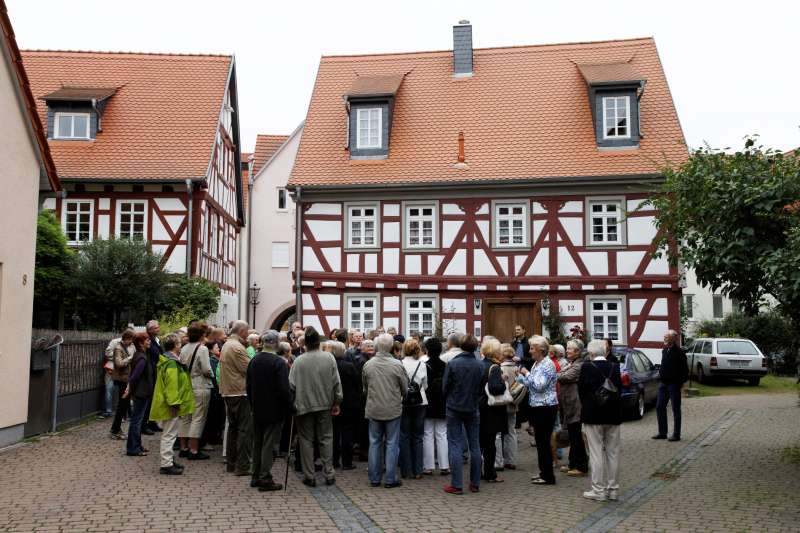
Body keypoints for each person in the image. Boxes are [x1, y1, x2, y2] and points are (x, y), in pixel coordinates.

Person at [289, 326, 343, 487]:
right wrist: (337, 401)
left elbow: (291, 385)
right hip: (324, 404)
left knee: (306, 440)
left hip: (304, 405)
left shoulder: (299, 361)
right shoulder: (329, 358)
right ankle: (329, 473)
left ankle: (309, 475)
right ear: (318, 342)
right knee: (326, 438)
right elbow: (336, 382)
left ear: (305, 343)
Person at [246, 330, 292, 491]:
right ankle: (265, 477)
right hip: (274, 409)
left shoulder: (254, 360)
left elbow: (249, 386)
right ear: (275, 343)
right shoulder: (278, 362)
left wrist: (252, 405)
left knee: (257, 443)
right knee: (269, 445)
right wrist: (290, 405)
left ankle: (255, 475)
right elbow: (284, 389)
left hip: (257, 408)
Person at [362, 333, 408, 488]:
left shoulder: (368, 364)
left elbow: (365, 388)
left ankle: (374, 478)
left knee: (374, 442)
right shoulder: (397, 365)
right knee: (391, 443)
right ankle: (390, 478)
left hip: (374, 408)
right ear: (390, 347)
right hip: (392, 408)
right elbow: (404, 388)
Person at [579, 339, 623, 501]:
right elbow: (619, 390)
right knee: (613, 453)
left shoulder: (587, 367)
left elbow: (581, 392)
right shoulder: (615, 367)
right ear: (605, 352)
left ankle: (598, 490)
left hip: (593, 415)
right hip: (613, 415)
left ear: (591, 353)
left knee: (596, 453)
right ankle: (613, 490)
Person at [442, 335, 485, 495]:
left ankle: (457, 484)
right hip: (473, 407)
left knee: (455, 444)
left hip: (454, 407)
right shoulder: (480, 365)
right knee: (475, 445)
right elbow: (482, 388)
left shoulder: (453, 364)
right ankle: (474, 483)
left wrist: (450, 398)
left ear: (461, 346)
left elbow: (445, 387)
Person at [516, 335, 558, 485]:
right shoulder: (537, 363)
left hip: (546, 407)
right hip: (538, 406)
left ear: (541, 350)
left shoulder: (547, 365)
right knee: (540, 443)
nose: (530, 351)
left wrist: (525, 373)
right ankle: (544, 473)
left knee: (543, 442)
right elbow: (531, 383)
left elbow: (539, 386)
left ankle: (548, 476)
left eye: (532, 348)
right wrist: (520, 378)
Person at [149, 333, 194, 475]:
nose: (181, 346)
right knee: (169, 434)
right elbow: (172, 386)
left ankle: (168, 460)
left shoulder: (168, 361)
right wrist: (175, 403)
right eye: (180, 344)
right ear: (175, 346)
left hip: (167, 403)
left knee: (169, 433)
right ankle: (166, 463)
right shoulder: (172, 363)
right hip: (170, 405)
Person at [219, 320, 253, 475]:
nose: (248, 334)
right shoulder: (237, 347)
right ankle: (242, 466)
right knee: (244, 430)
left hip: (229, 391)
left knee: (233, 429)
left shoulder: (228, 344)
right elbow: (250, 369)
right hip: (239, 392)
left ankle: (232, 464)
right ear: (241, 332)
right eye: (247, 332)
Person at [178, 322, 214, 460]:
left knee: (185, 417)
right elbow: (206, 369)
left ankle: (183, 448)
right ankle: (194, 450)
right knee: (198, 418)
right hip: (200, 385)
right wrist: (212, 375)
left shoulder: (184, 348)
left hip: (185, 385)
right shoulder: (202, 349)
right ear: (201, 335)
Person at [478, 338, 508, 483]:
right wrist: (503, 381)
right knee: (490, 444)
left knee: (479, 443)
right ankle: (490, 474)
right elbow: (495, 388)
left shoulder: (479, 364)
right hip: (491, 410)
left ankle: (477, 471)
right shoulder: (495, 367)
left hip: (479, 407)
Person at [558, 339, 587, 476]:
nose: (567, 350)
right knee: (573, 436)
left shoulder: (578, 365)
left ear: (577, 352)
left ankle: (581, 467)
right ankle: (572, 464)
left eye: (569, 348)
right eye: (567, 348)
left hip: (575, 406)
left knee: (576, 437)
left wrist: (558, 374)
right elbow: (561, 374)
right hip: (569, 405)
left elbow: (564, 377)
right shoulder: (572, 363)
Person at [399, 339, 428, 479]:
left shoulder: (400, 364)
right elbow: (425, 385)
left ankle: (406, 470)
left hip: (403, 401)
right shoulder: (422, 364)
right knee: (418, 436)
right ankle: (418, 470)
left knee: (404, 436)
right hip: (420, 402)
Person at [653, 330, 688, 442]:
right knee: (659, 406)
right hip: (663, 384)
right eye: (665, 337)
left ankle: (676, 434)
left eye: (667, 337)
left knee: (675, 409)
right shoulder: (664, 350)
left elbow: (685, 370)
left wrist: (680, 383)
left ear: (673, 338)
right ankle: (662, 432)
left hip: (674, 384)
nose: (665, 339)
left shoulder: (679, 352)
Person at [330, 340, 360, 471]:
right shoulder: (349, 366)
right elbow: (357, 384)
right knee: (347, 433)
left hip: (333, 403)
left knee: (334, 433)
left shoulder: (330, 365)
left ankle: (335, 461)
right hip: (349, 404)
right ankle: (347, 462)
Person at [124, 333, 154, 457]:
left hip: (140, 392)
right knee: (137, 421)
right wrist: (130, 388)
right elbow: (135, 375)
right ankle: (133, 448)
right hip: (141, 392)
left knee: (137, 420)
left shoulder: (139, 355)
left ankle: (136, 445)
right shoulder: (142, 357)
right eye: (147, 340)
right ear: (141, 343)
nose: (149, 342)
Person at [422, 337, 449, 476]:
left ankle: (428, 466)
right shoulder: (445, 365)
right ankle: (444, 465)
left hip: (428, 402)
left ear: (427, 350)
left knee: (427, 434)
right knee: (442, 434)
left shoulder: (424, 365)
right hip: (442, 401)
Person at [495, 344, 519, 471]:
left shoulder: (500, 368)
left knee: (498, 432)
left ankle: (498, 461)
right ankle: (512, 460)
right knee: (511, 431)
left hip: (502, 402)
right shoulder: (516, 368)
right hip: (514, 402)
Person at [109, 329, 135, 439]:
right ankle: (114, 430)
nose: (132, 343)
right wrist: (130, 358)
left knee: (123, 405)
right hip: (121, 380)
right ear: (126, 339)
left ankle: (117, 429)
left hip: (125, 379)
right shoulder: (118, 348)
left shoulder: (124, 347)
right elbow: (119, 363)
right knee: (121, 406)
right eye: (131, 340)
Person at [143, 320, 164, 434]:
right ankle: (145, 424)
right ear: (150, 330)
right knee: (149, 399)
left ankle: (152, 422)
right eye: (156, 328)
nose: (158, 329)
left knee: (153, 399)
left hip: (156, 371)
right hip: (151, 372)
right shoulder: (148, 341)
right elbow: (156, 354)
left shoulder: (156, 340)